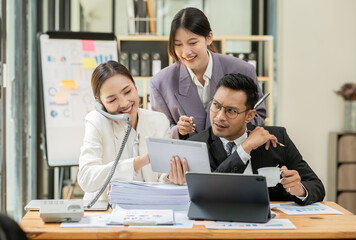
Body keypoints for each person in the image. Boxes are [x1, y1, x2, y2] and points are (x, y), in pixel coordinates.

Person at [169, 73, 325, 205]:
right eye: (216, 105)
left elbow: (317, 186)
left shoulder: (277, 138)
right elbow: (212, 192)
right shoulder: (196, 145)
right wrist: (245, 148)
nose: (219, 117)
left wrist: (299, 189)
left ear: (250, 115)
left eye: (231, 111)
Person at [150, 7, 266, 140]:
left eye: (193, 43)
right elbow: (159, 132)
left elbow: (259, 114)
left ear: (209, 38)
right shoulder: (160, 83)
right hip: (188, 158)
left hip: (235, 154)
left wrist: (232, 127)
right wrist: (178, 130)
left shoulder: (243, 70)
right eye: (178, 45)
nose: (186, 52)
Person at [78, 61, 171, 200]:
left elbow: (162, 176)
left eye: (128, 92)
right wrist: (137, 162)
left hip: (149, 208)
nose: (124, 103)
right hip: (106, 211)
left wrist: (171, 177)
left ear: (135, 86)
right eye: (112, 100)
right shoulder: (96, 121)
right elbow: (86, 178)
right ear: (100, 102)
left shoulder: (159, 121)